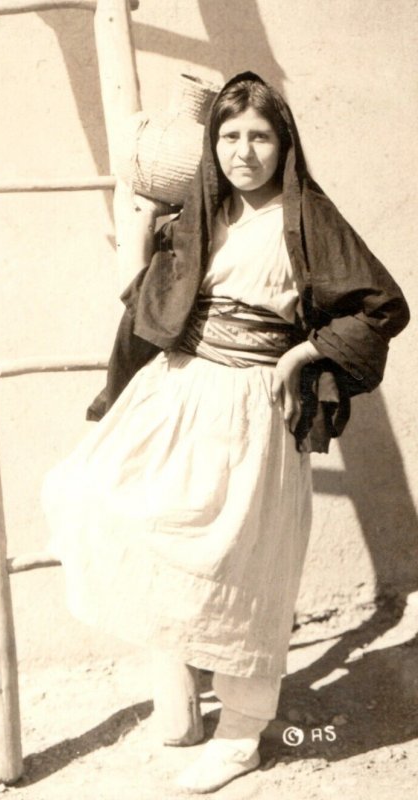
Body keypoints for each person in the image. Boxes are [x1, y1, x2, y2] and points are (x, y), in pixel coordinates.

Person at [42, 72, 409, 793]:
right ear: (214, 145)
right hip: (181, 391)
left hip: (254, 408)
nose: (245, 152)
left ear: (284, 143)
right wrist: (144, 238)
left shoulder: (307, 217)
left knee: (247, 567)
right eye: (231, 137)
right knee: (92, 495)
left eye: (260, 137)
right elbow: (154, 295)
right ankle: (184, 707)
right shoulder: (205, 213)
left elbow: (378, 305)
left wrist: (308, 351)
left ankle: (242, 734)